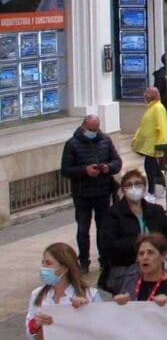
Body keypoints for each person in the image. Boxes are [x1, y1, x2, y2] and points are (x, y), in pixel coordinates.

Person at [98, 168, 167, 291]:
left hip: (157, 267)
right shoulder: (113, 213)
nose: (134, 187)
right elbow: (109, 244)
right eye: (129, 185)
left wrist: (157, 247)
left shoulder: (156, 210)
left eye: (138, 184)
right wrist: (139, 243)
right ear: (123, 189)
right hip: (126, 269)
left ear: (144, 187)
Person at [61, 115, 121, 272]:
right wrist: (84, 171)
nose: (94, 132)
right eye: (91, 129)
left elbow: (117, 162)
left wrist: (108, 167)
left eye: (96, 129)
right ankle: (84, 261)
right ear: (83, 126)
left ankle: (104, 259)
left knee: (103, 228)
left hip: (102, 192)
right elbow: (66, 170)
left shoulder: (105, 141)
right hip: (82, 194)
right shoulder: (72, 144)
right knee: (83, 229)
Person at [133, 86, 167, 198]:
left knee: (150, 169)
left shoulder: (158, 108)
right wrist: (136, 139)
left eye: (147, 93)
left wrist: (161, 144)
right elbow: (144, 126)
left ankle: (152, 192)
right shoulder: (151, 108)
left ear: (154, 95)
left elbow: (162, 127)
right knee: (155, 169)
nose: (144, 95)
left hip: (153, 146)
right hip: (148, 145)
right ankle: (164, 188)